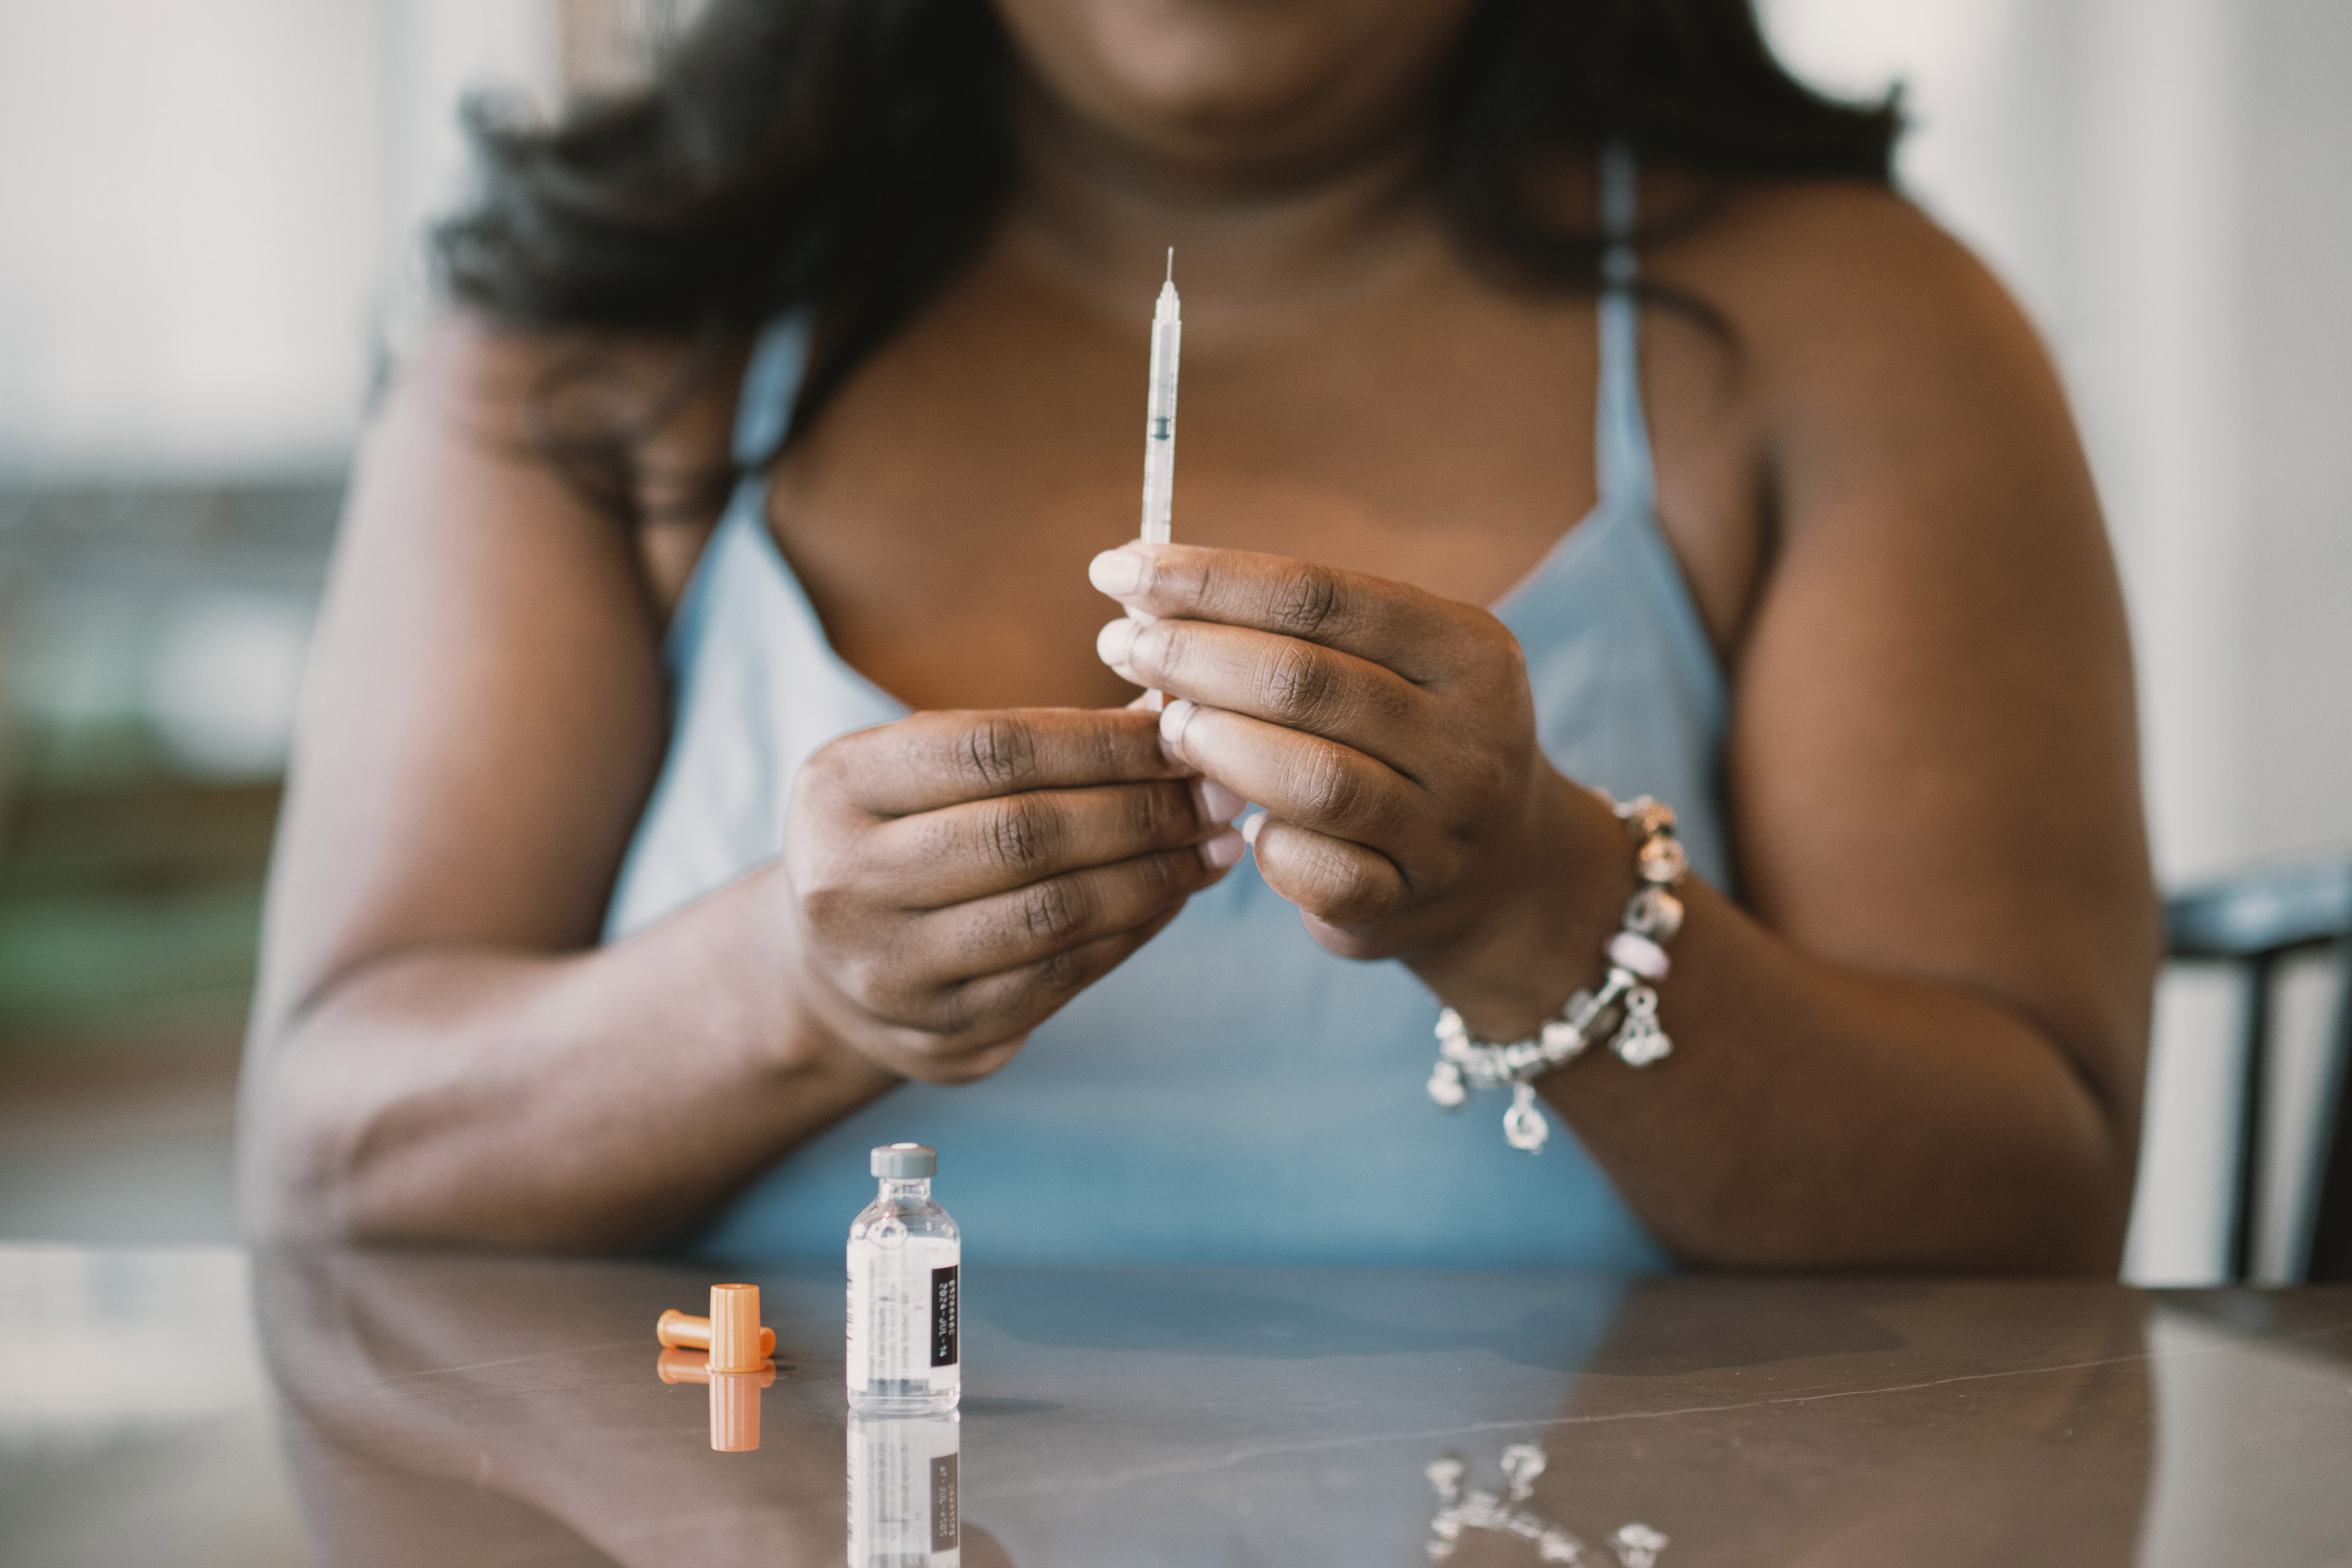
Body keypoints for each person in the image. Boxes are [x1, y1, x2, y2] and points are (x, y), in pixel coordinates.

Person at [238, 0, 2157, 1270]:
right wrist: (792, 989)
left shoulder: (1852, 332)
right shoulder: (604, 347)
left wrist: (1536, 906)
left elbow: (2036, 1199)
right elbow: (334, 1163)